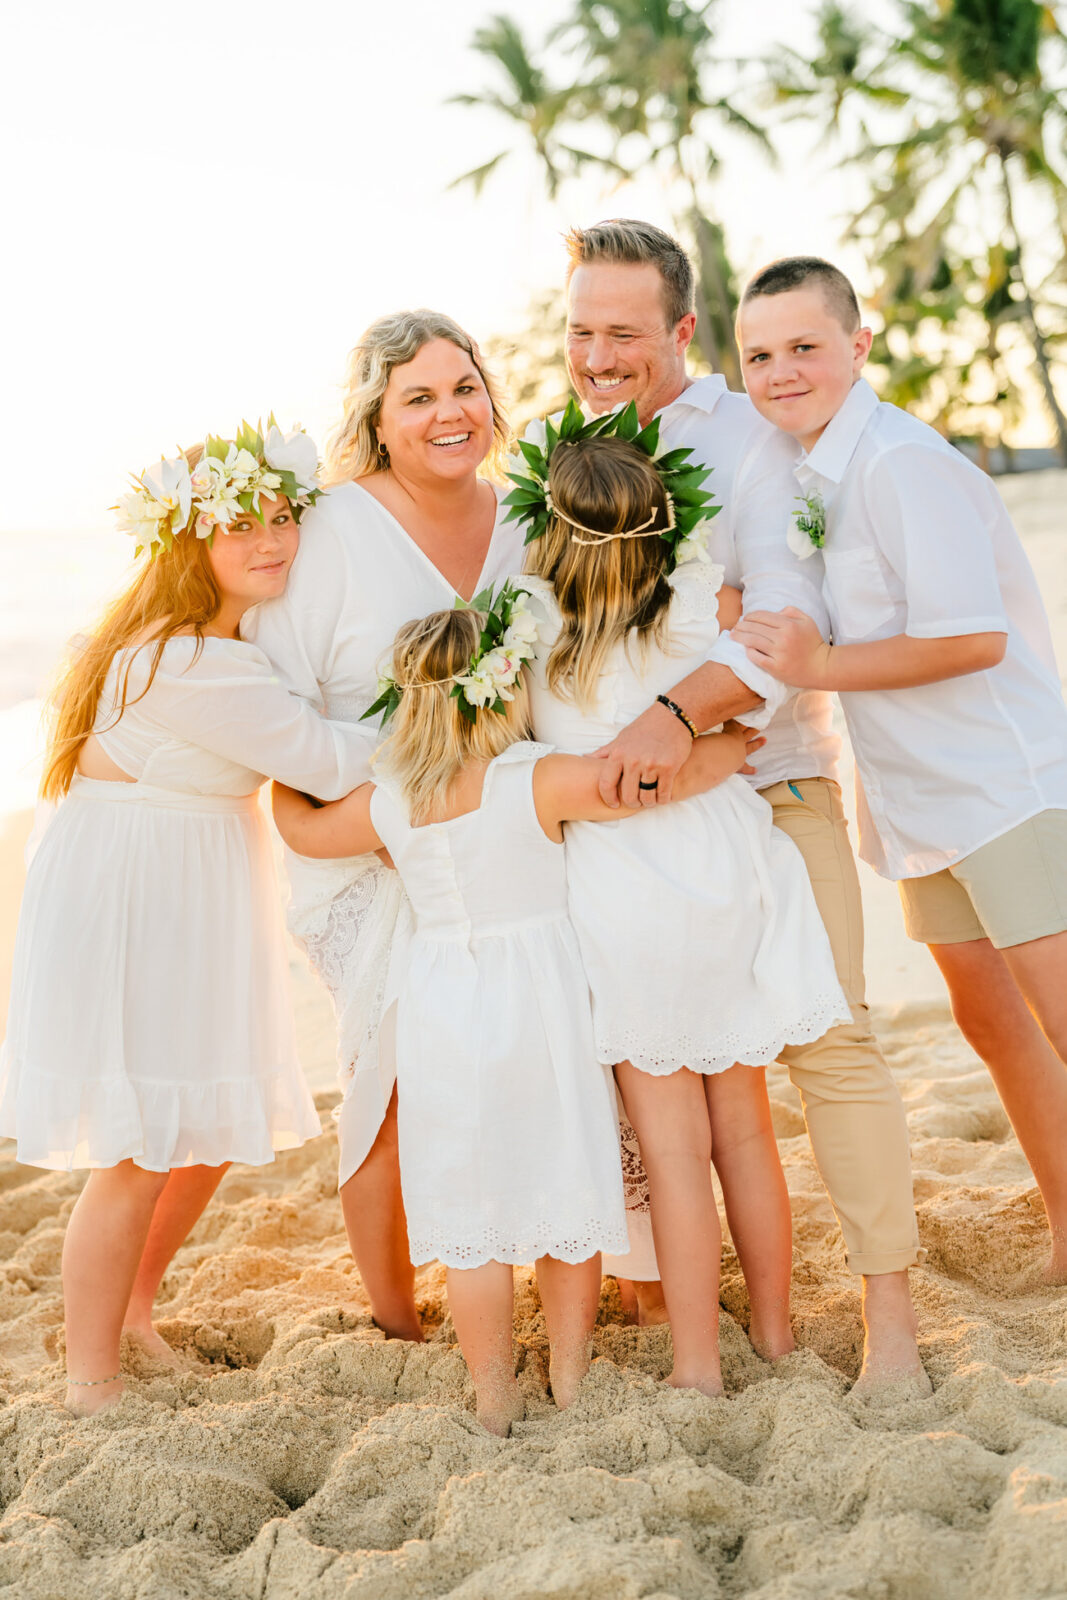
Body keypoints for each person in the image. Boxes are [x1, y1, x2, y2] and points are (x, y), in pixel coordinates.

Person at [555, 218, 925, 1393]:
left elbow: (780, 620)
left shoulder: (746, 438)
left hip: (769, 785)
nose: (599, 355)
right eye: (579, 332)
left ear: (678, 329)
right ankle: (656, 1286)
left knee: (828, 1041)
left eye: (623, 331)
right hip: (642, 820)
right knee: (668, 1070)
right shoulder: (575, 449)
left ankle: (891, 1320)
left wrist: (669, 716)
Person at [272, 594, 760, 1430]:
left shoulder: (391, 799)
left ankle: (493, 1390)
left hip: (443, 1009)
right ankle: (569, 1374)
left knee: (471, 1201)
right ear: (503, 691)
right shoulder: (533, 778)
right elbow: (651, 781)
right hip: (539, 1001)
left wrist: (278, 779)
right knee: (561, 1188)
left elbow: (307, 836)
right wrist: (727, 744)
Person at [0, 423, 374, 1414]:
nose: (272, 540)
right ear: (187, 545)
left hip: (186, 878)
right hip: (141, 897)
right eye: (241, 525)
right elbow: (332, 762)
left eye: (284, 517)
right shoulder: (190, 664)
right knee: (136, 1145)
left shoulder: (219, 647)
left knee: (202, 1124)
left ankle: (131, 1311)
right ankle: (90, 1376)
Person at [731, 255, 1067, 1283]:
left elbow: (970, 639)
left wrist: (816, 665)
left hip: (1000, 786)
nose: (781, 371)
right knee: (985, 1019)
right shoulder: (807, 470)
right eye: (758, 354)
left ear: (856, 346)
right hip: (916, 800)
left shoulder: (896, 462)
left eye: (803, 347)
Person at [506, 411, 850, 1394]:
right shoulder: (699, 608)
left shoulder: (540, 642)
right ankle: (776, 1332)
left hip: (625, 897)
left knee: (671, 1149)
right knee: (742, 1126)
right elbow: (748, 703)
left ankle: (697, 1362)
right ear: (665, 527)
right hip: (726, 874)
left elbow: (561, 775)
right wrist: (703, 752)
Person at [242, 312, 526, 1342]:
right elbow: (270, 698)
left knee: (518, 1053)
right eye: (417, 396)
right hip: (366, 857)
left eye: (463, 387)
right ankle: (398, 1315)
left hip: (500, 850)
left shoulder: (525, 518)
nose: (448, 412)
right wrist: (360, 812)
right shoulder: (333, 528)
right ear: (377, 416)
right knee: (393, 1080)